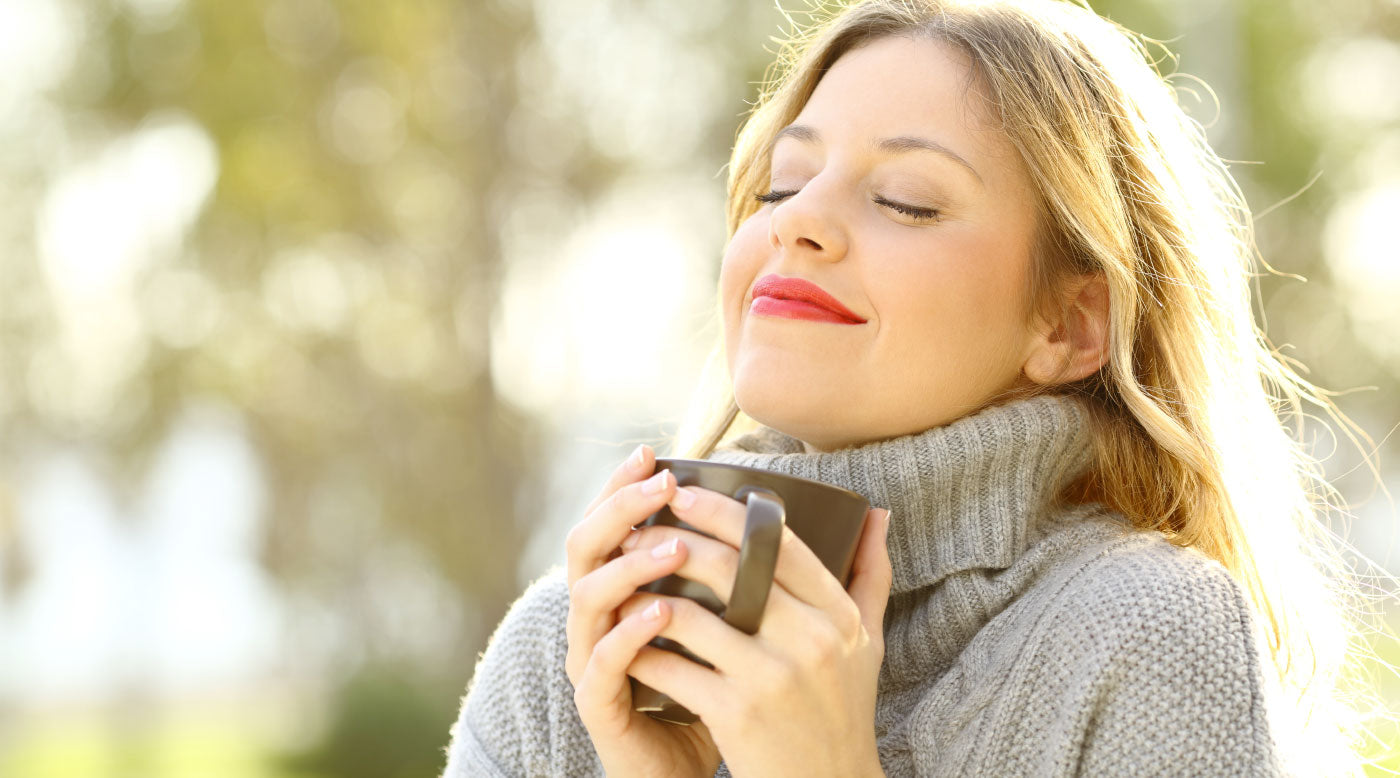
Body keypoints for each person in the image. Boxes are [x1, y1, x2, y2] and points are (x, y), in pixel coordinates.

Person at [442, 0, 1388, 775]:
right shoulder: (570, 650)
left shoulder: (1150, 636)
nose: (798, 221)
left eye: (906, 200)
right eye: (782, 184)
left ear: (1068, 325)